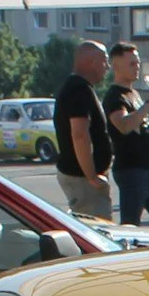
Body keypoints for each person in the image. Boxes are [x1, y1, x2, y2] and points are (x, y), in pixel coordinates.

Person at [105, 41, 149, 227]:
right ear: (116, 66)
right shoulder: (115, 96)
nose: (137, 67)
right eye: (131, 63)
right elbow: (124, 125)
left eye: (138, 62)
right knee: (131, 225)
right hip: (131, 169)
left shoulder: (133, 93)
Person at [52, 39, 115, 220]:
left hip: (83, 178)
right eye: (104, 60)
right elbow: (79, 135)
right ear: (90, 62)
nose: (107, 66)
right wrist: (92, 176)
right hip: (83, 180)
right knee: (97, 234)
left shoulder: (79, 88)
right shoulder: (78, 89)